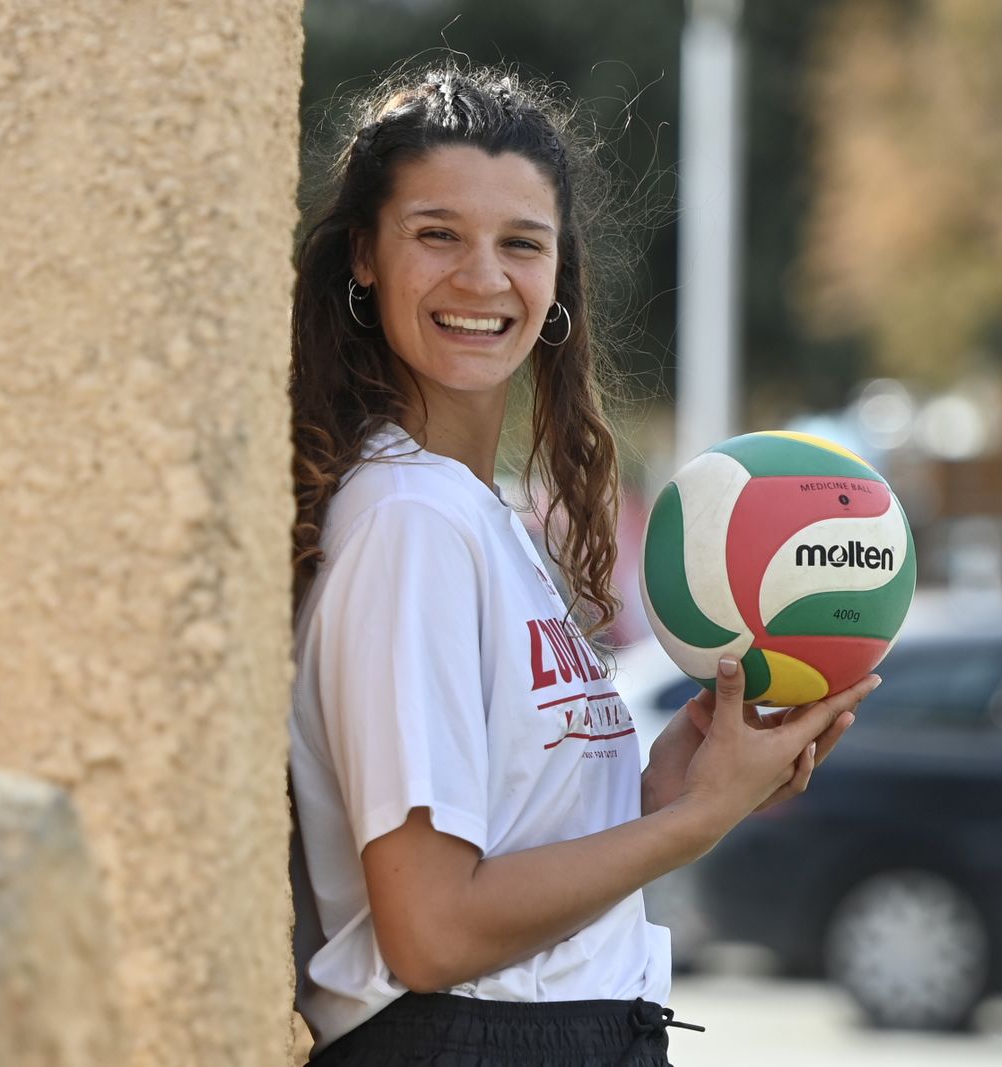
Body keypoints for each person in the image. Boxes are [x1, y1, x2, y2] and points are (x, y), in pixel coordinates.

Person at [286, 65, 879, 1067]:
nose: (483, 278)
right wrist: (697, 818)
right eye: (437, 234)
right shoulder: (408, 520)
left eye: (521, 243)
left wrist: (661, 787)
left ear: (558, 275)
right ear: (363, 257)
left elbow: (507, 854)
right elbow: (431, 932)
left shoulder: (478, 514)